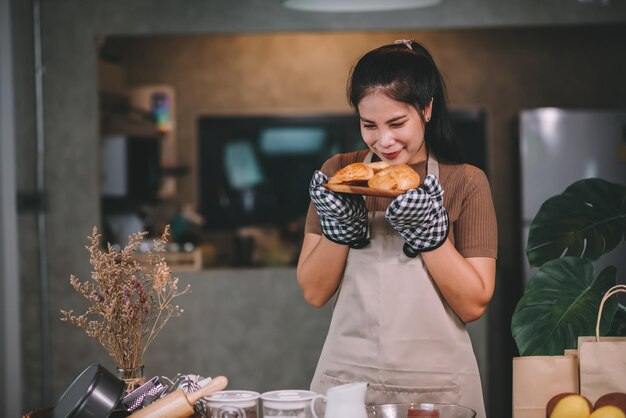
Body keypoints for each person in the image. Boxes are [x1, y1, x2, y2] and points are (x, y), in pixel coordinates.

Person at [296, 40, 497, 418]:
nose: (383, 141)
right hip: (348, 385)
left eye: (396, 123)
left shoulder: (465, 183)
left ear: (426, 108)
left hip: (437, 391)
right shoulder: (340, 175)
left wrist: (430, 236)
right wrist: (340, 228)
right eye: (369, 125)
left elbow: (474, 304)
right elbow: (313, 291)